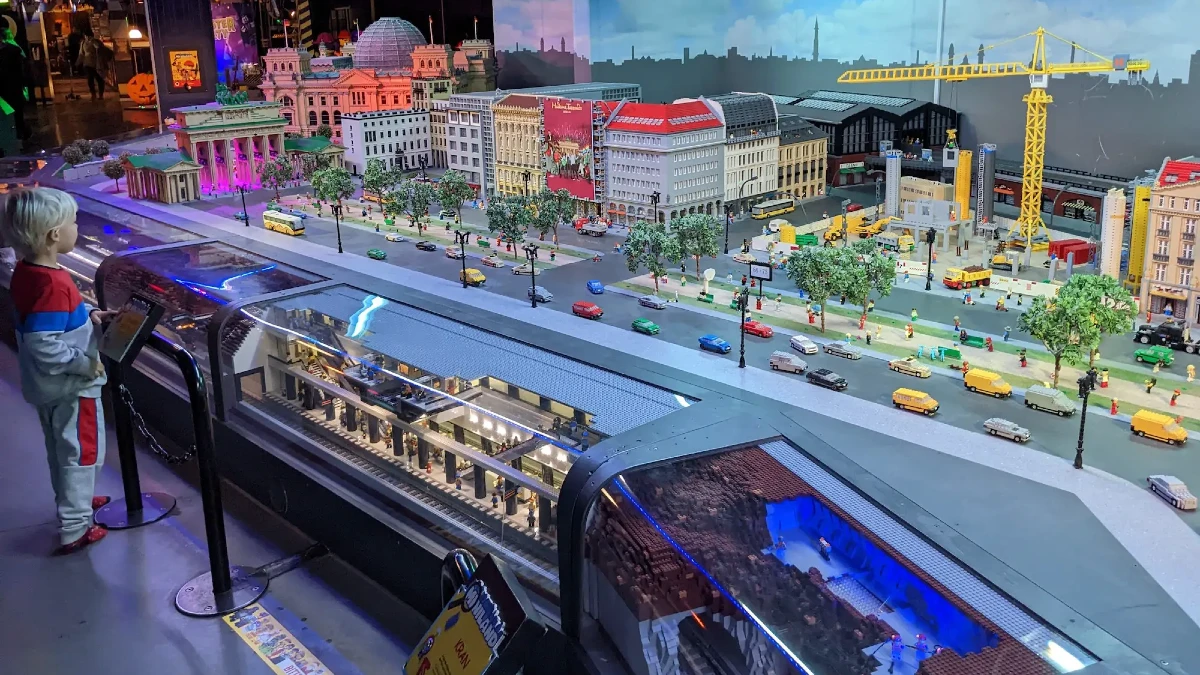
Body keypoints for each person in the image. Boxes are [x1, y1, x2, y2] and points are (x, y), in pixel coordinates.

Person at [2, 187, 116, 554]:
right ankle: (75, 527)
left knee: (60, 450)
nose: (77, 228)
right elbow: (43, 343)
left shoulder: (28, 271)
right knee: (83, 454)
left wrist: (90, 317)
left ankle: (74, 502)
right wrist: (86, 364)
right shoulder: (55, 284)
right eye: (73, 222)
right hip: (71, 387)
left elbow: (47, 326)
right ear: (54, 234)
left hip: (44, 386)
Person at [0, 27, 33, 144]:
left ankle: (19, 134)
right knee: (15, 112)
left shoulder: (13, 50)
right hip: (11, 86)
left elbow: (20, 69)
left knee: (16, 112)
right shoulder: (14, 50)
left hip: (12, 86)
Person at [76, 27, 112, 100]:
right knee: (90, 79)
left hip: (97, 64)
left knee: (99, 79)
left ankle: (101, 94)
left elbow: (99, 48)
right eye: (86, 36)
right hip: (87, 64)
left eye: (89, 36)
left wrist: (93, 42)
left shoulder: (96, 42)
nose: (87, 38)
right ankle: (93, 94)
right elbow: (81, 54)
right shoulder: (83, 43)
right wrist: (77, 62)